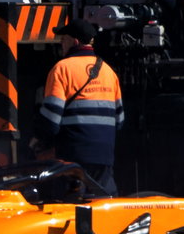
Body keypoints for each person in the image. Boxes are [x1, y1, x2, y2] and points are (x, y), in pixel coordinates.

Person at [31, 17, 124, 196]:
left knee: (71, 204)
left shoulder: (62, 69)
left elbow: (51, 120)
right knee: (102, 202)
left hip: (73, 155)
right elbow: (119, 120)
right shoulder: (108, 71)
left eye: (63, 39)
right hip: (104, 155)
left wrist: (38, 139)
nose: (61, 43)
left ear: (74, 41)